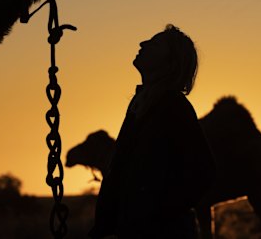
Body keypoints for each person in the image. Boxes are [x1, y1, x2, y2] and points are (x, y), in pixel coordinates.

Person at [89, 25, 216, 239]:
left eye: (155, 43)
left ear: (170, 62)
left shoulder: (174, 107)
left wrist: (156, 213)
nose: (143, 44)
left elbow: (204, 172)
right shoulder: (139, 106)